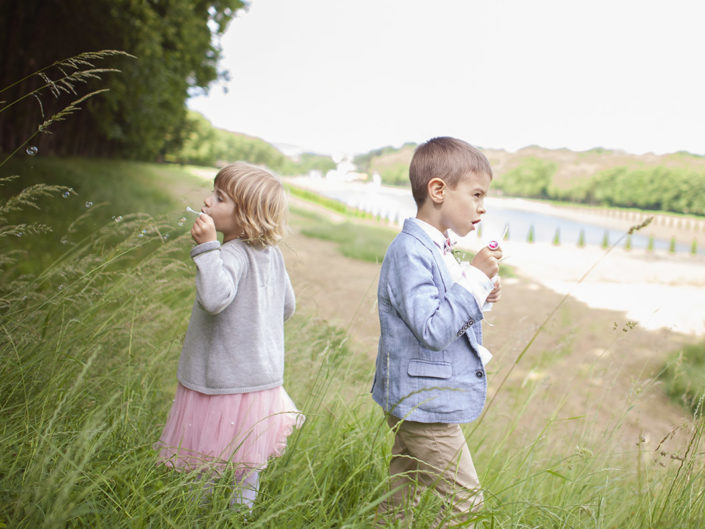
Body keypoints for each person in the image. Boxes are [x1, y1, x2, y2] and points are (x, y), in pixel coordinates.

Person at [371, 137, 503, 526]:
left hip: (423, 399)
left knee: (399, 500)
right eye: (476, 194)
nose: (483, 206)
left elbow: (446, 309)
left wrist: (482, 292)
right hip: (424, 406)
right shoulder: (410, 251)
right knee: (467, 505)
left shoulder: (436, 248)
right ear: (438, 190)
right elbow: (433, 328)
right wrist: (474, 278)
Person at [156, 162, 303, 508]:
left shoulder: (230, 253)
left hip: (220, 383)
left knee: (205, 458)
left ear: (246, 216)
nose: (207, 202)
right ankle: (240, 515)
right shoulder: (273, 255)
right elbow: (288, 307)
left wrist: (207, 248)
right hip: (260, 382)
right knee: (246, 461)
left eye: (219, 198)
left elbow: (213, 299)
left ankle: (197, 513)